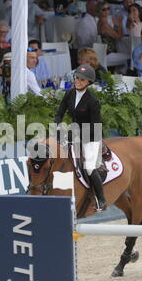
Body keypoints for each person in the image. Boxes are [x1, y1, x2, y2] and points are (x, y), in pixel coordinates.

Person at [54, 64, 106, 211]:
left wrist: (74, 135)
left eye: (82, 80)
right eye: (77, 78)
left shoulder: (93, 101)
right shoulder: (69, 94)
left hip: (91, 136)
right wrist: (57, 126)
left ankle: (101, 200)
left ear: (88, 82)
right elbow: (60, 113)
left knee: (89, 167)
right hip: (75, 132)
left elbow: (95, 126)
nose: (78, 81)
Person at [96, 2, 127, 70]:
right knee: (129, 58)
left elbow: (116, 31)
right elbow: (119, 36)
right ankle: (123, 75)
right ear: (99, 11)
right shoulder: (104, 25)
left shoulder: (103, 20)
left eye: (108, 8)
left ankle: (118, 73)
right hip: (108, 54)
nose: (107, 11)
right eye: (104, 9)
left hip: (109, 52)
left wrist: (116, 24)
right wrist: (120, 22)